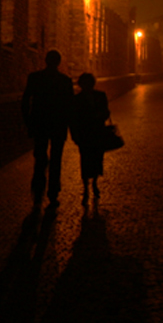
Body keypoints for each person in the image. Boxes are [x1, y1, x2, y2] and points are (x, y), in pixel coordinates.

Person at [21, 49, 75, 206]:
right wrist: (71, 128)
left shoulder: (35, 78)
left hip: (40, 124)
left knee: (40, 158)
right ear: (58, 62)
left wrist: (28, 122)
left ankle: (38, 189)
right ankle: (53, 193)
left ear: (46, 61)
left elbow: (25, 100)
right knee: (56, 159)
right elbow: (70, 107)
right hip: (58, 125)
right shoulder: (65, 81)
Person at [69, 72, 110, 206]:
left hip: (97, 133)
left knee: (97, 159)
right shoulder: (77, 99)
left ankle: (94, 183)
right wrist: (75, 135)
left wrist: (100, 115)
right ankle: (86, 186)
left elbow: (106, 112)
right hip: (85, 134)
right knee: (85, 160)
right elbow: (73, 119)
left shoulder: (100, 96)